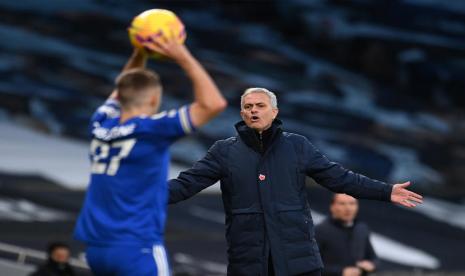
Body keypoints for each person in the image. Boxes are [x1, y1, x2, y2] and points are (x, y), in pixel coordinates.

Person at [168, 87, 423, 276]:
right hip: (248, 264)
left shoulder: (297, 146)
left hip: (298, 263)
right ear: (242, 113)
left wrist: (385, 191)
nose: (253, 110)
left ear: (275, 111)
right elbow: (186, 184)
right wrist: (139, 197)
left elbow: (340, 179)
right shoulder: (224, 151)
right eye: (248, 107)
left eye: (260, 105)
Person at [73, 34, 227, 276]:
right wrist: (182, 55)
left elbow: (121, 89)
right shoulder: (152, 129)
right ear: (155, 98)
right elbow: (213, 103)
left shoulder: (100, 125)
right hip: (136, 248)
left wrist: (139, 53)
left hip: (96, 248)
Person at [316, 194, 378, 276]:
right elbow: (312, 266)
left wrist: (372, 265)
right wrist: (340, 272)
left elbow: (373, 257)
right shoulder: (320, 230)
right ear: (332, 207)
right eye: (342, 204)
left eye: (352, 203)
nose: (348, 208)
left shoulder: (361, 228)